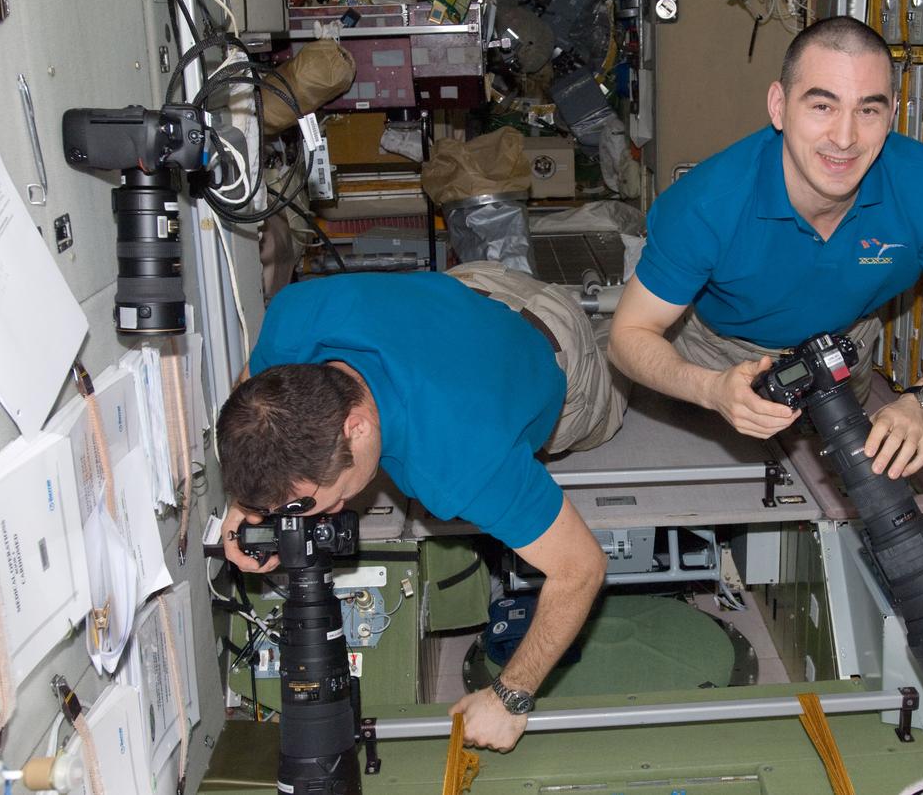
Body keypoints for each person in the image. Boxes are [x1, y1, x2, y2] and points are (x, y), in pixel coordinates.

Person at [217, 261, 627, 752]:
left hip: (559, 350)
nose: (319, 519)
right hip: (472, 289)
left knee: (621, 374)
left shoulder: (457, 461)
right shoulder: (293, 319)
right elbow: (249, 393)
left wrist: (509, 697)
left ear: (357, 428)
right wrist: (247, 502)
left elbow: (581, 567)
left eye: (324, 504)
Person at [608, 15, 923, 481]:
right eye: (822, 106)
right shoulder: (705, 204)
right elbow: (628, 336)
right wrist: (712, 390)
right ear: (779, 106)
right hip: (720, 353)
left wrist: (922, 402)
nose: (844, 138)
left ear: (893, 113)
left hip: (845, 345)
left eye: (868, 110)